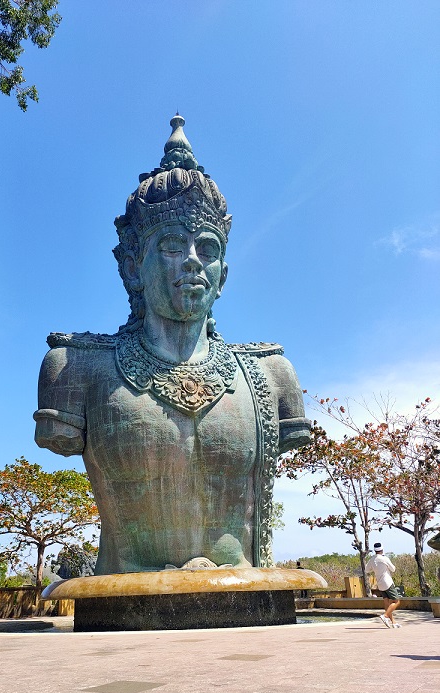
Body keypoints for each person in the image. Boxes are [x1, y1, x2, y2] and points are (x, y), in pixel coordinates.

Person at [34, 115, 311, 575]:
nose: (192, 263)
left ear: (224, 274)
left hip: (246, 601)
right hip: (120, 612)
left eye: (207, 248)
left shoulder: (270, 374)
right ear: (130, 266)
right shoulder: (74, 370)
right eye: (171, 246)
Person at [365, 542, 401, 628]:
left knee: (387, 603)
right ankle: (385, 616)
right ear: (382, 549)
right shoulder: (384, 559)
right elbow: (393, 569)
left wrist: (375, 569)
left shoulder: (372, 559)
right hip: (388, 583)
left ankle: (393, 623)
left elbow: (367, 570)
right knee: (397, 601)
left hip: (380, 584)